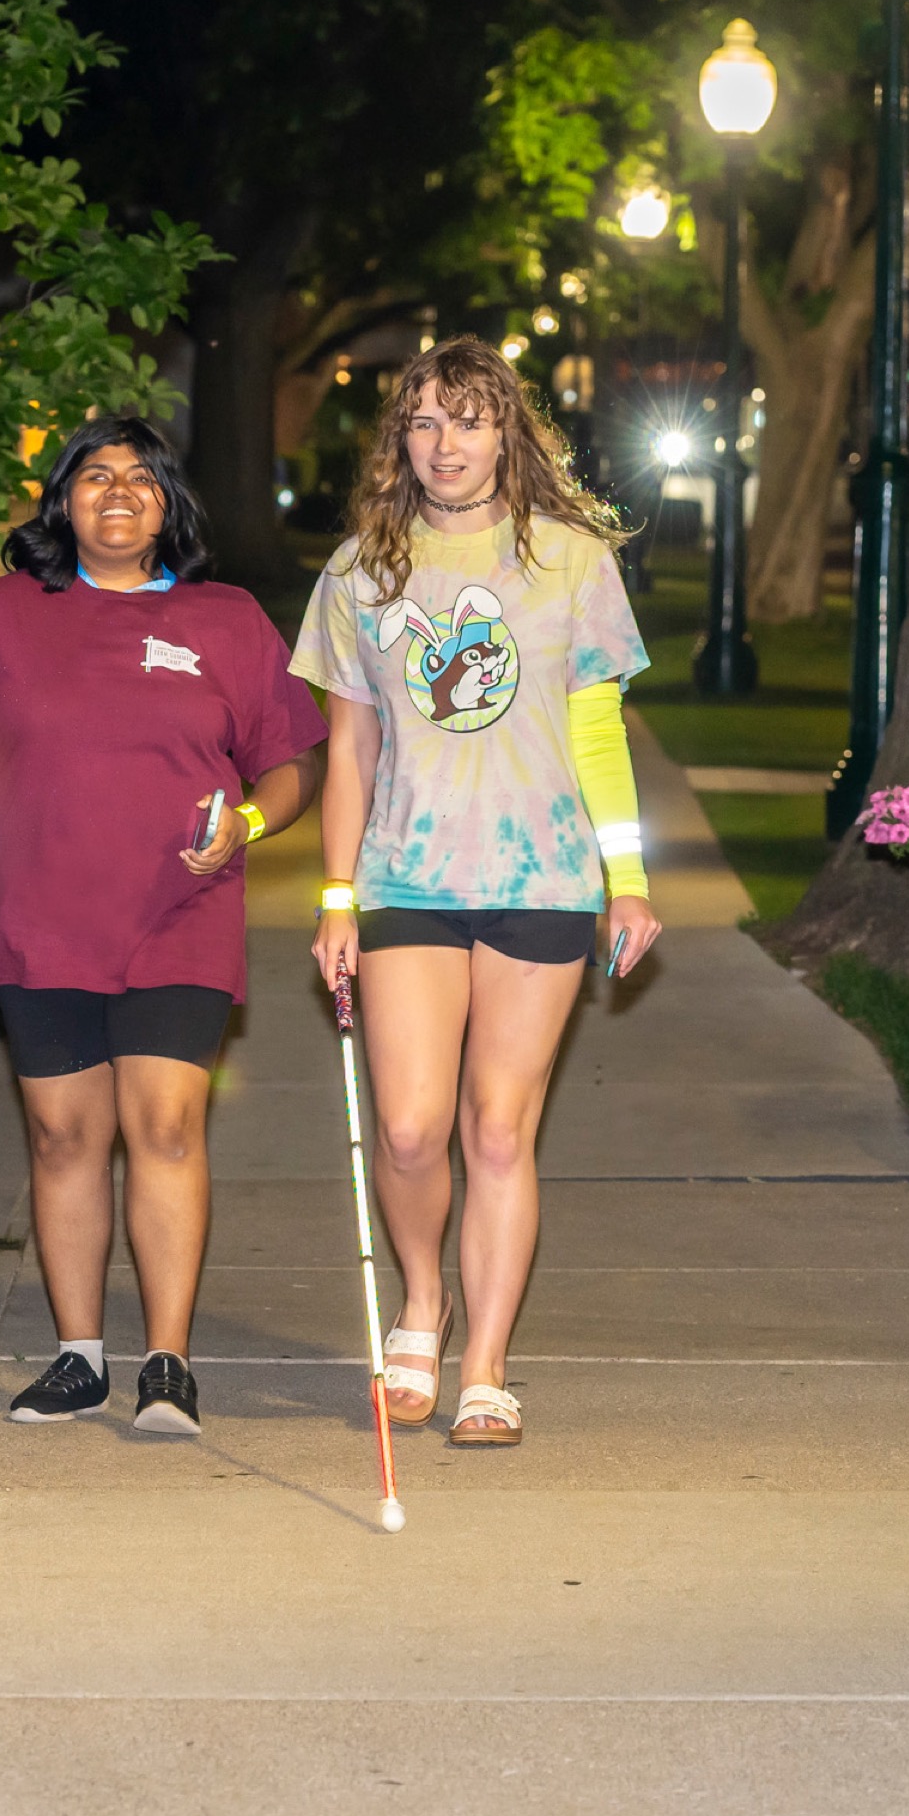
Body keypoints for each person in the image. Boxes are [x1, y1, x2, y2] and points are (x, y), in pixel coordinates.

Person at [0, 415, 325, 1435]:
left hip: (179, 912)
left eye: (139, 477)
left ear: (169, 503)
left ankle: (167, 1360)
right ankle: (79, 1356)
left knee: (165, 1126)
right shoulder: (0, 613)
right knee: (60, 1135)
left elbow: (294, 762)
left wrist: (249, 822)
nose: (116, 491)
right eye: (93, 476)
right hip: (37, 916)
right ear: (62, 502)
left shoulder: (225, 619)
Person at [291, 336, 660, 1447]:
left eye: (468, 419)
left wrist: (627, 879)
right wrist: (338, 895)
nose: (445, 444)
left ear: (509, 433)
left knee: (498, 1129)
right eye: (424, 422)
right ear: (399, 441)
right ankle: (423, 1301)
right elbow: (347, 752)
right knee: (409, 1131)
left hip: (541, 876)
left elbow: (596, 730)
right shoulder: (362, 571)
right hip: (407, 874)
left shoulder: (571, 560)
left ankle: (486, 1367)